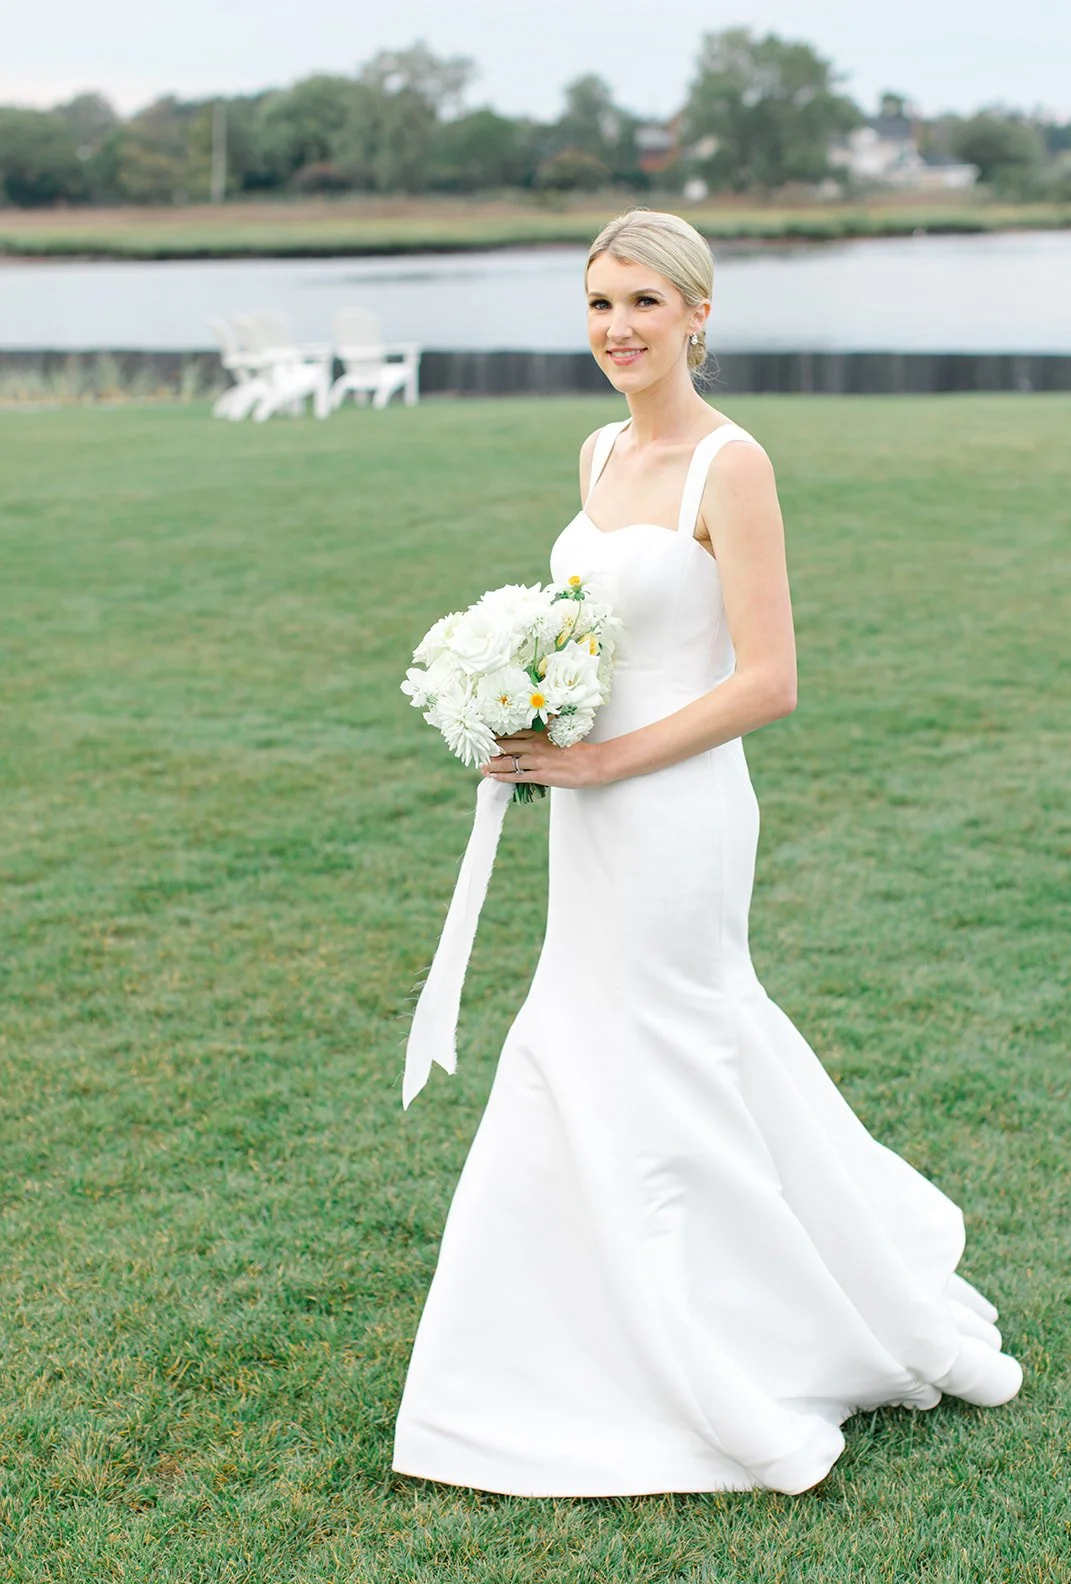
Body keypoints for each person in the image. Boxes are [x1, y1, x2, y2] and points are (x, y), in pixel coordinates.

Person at [391, 208, 1022, 1497]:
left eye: (643, 303)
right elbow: (597, 639)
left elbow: (770, 679)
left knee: (673, 1044)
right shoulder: (596, 451)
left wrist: (607, 760)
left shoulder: (730, 466)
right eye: (599, 304)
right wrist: (530, 710)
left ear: (697, 314)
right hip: (589, 812)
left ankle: (755, 1337)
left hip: (677, 814)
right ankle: (576, 1343)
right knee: (588, 1042)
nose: (617, 329)